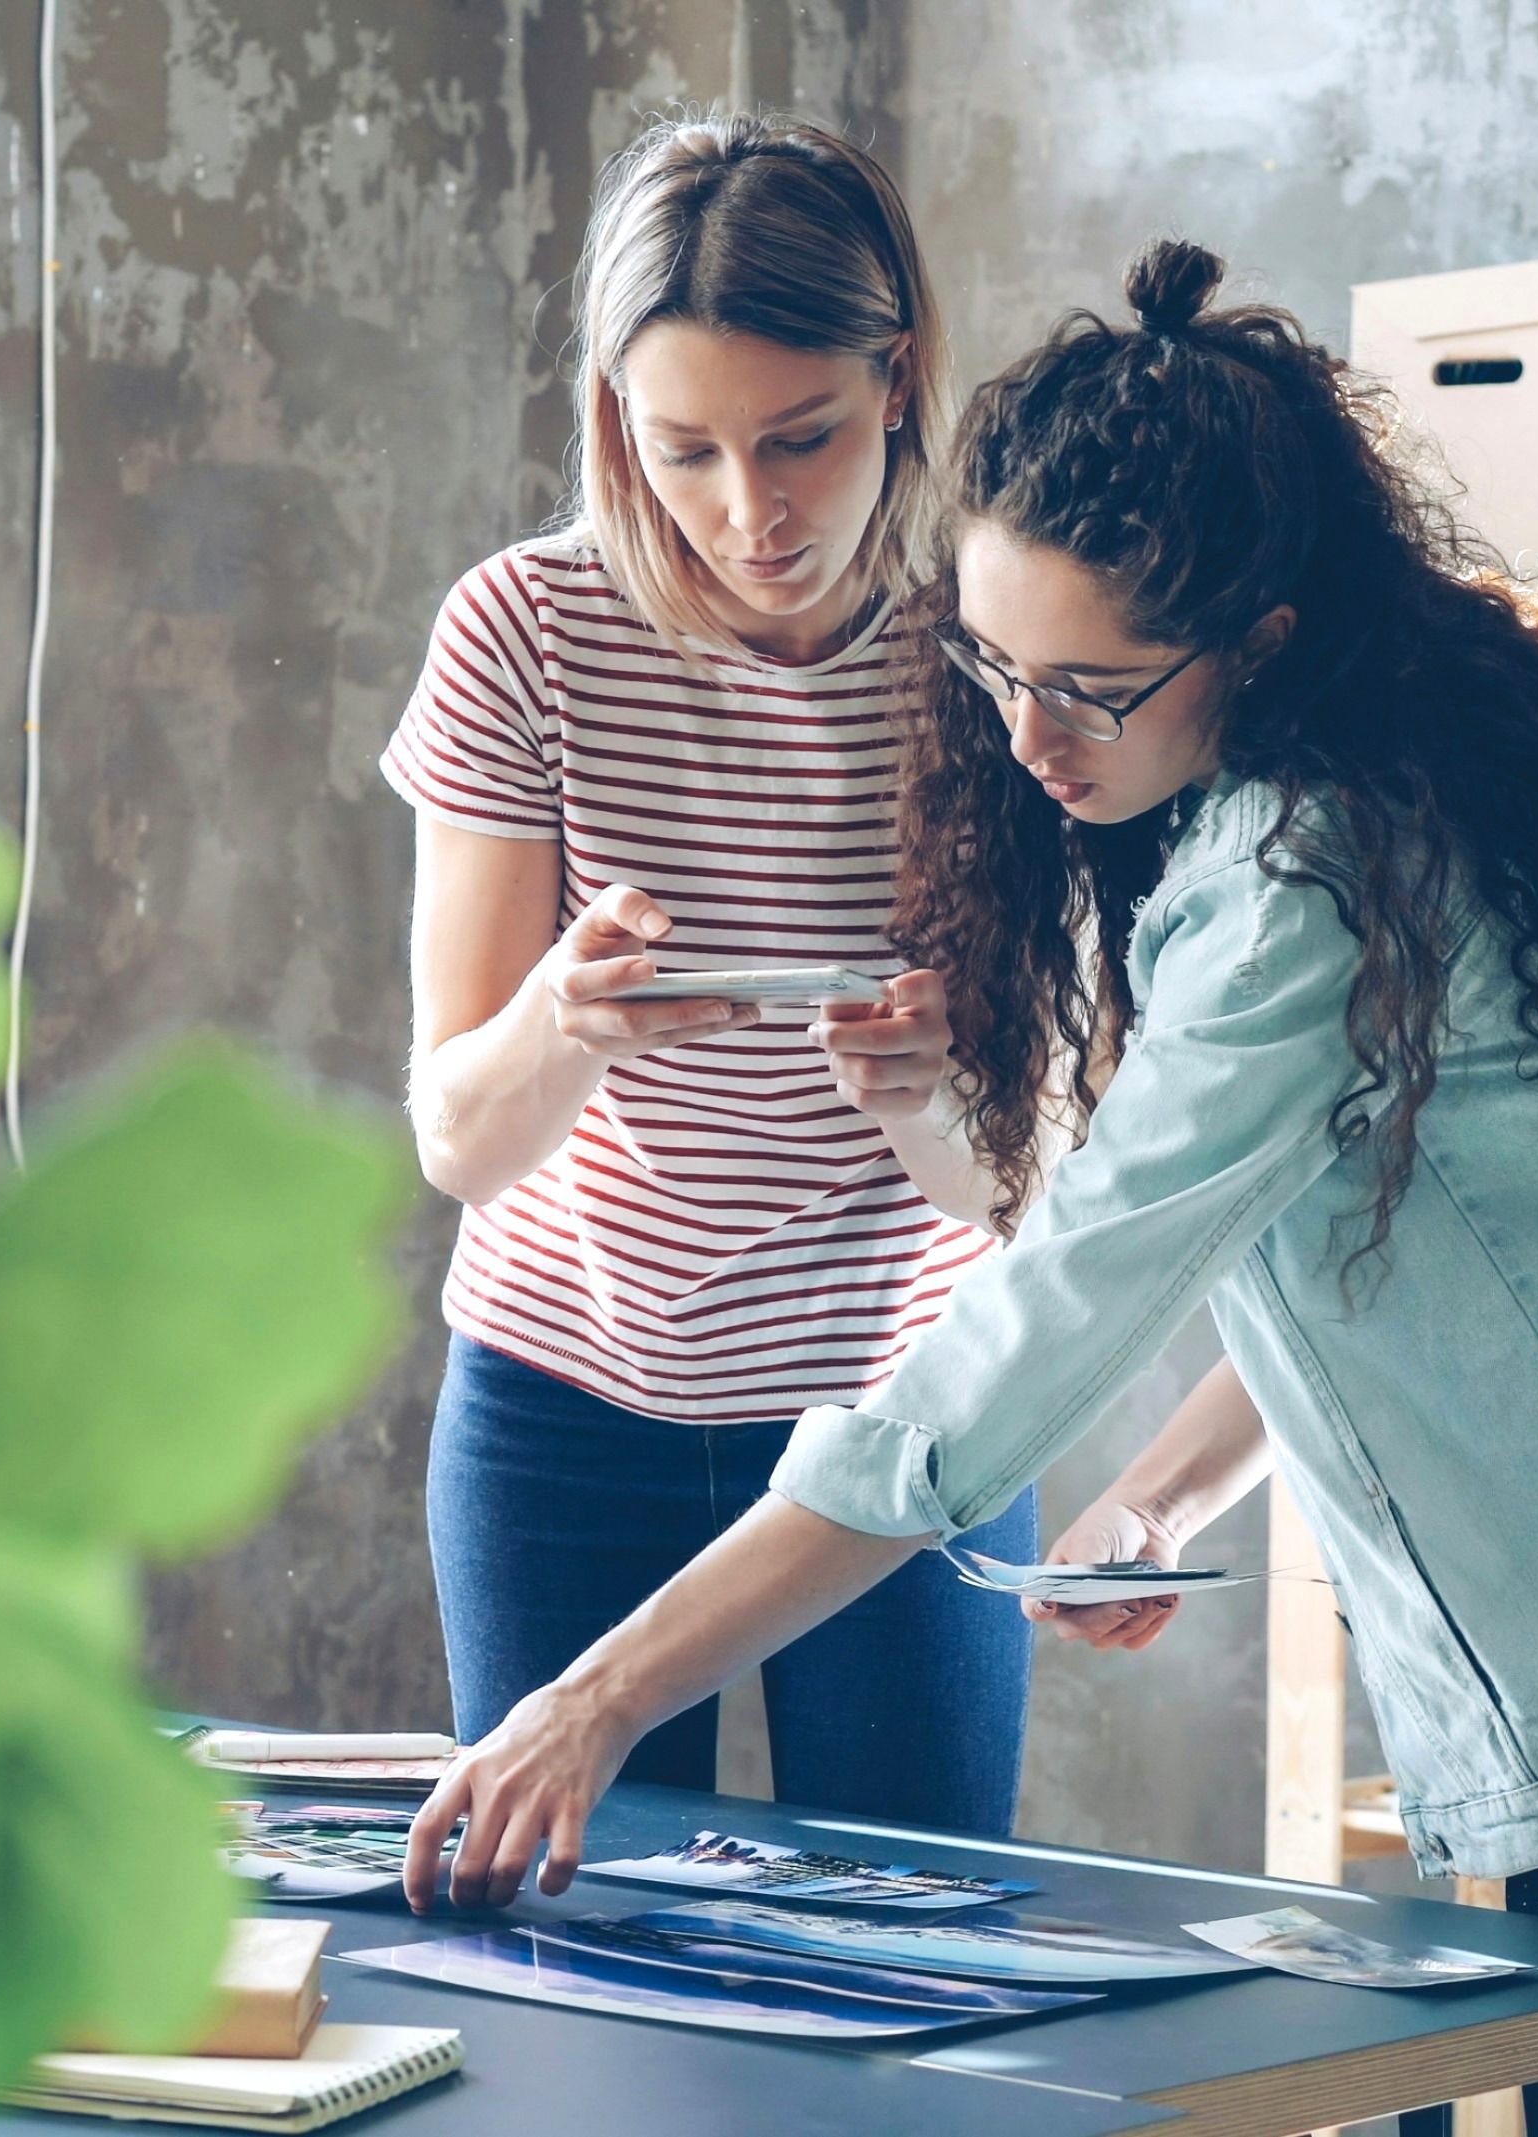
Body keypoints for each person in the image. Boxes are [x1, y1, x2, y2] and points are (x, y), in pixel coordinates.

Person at [402, 240, 1538, 2136]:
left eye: (1091, 689)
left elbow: (998, 1363)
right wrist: (1163, 1497)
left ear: (1255, 644)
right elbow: (1401, 1226)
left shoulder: (1306, 888)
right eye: (997, 670)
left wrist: (585, 1704)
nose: (1029, 741)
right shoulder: (1420, 727)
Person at [379, 112, 1042, 1835]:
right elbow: (458, 1138)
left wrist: (930, 1099)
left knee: (919, 1964)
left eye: (803, 438)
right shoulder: (521, 630)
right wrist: (559, 1026)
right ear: (617, 421)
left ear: (897, 379)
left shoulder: (992, 650)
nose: (751, 515)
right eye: (684, 451)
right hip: (563, 1400)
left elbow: (1034, 1191)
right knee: (570, 1979)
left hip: (907, 1404)